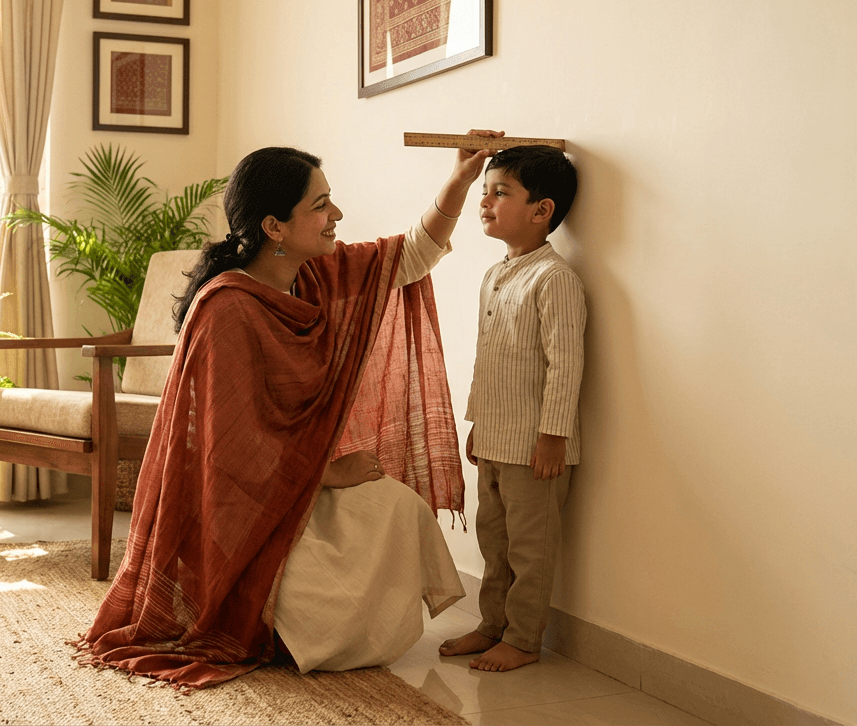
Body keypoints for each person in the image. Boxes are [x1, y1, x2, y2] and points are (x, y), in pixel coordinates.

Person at [77, 131, 503, 689]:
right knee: (291, 603)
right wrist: (328, 472)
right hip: (237, 510)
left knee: (399, 507)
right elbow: (230, 454)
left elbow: (411, 257)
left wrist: (459, 180)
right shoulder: (226, 309)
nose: (337, 214)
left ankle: (322, 623)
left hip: (296, 487)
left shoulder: (315, 276)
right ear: (273, 228)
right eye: (320, 205)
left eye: (330, 199)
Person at [439, 145, 584, 672]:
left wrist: (554, 436)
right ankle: (491, 625)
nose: (485, 202)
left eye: (501, 193)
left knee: (530, 548)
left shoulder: (554, 279)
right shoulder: (496, 275)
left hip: (535, 448)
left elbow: (566, 366)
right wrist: (476, 422)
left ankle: (523, 639)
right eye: (485, 192)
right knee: (493, 541)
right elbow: (488, 358)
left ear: (541, 209)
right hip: (497, 438)